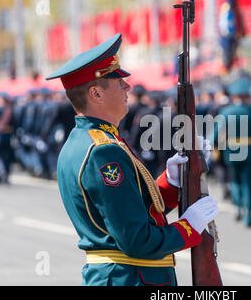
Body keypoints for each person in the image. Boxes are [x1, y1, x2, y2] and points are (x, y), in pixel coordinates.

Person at [46, 33, 219, 286]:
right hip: (128, 278)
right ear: (96, 93)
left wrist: (170, 183)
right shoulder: (103, 151)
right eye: (118, 83)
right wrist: (189, 227)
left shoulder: (86, 141)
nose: (128, 87)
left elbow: (130, 209)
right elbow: (136, 240)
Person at [212, 77, 251, 227]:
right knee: (249, 182)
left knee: (235, 180)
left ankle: (238, 207)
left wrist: (215, 147)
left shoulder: (226, 112)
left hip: (232, 151)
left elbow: (216, 134)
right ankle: (249, 214)